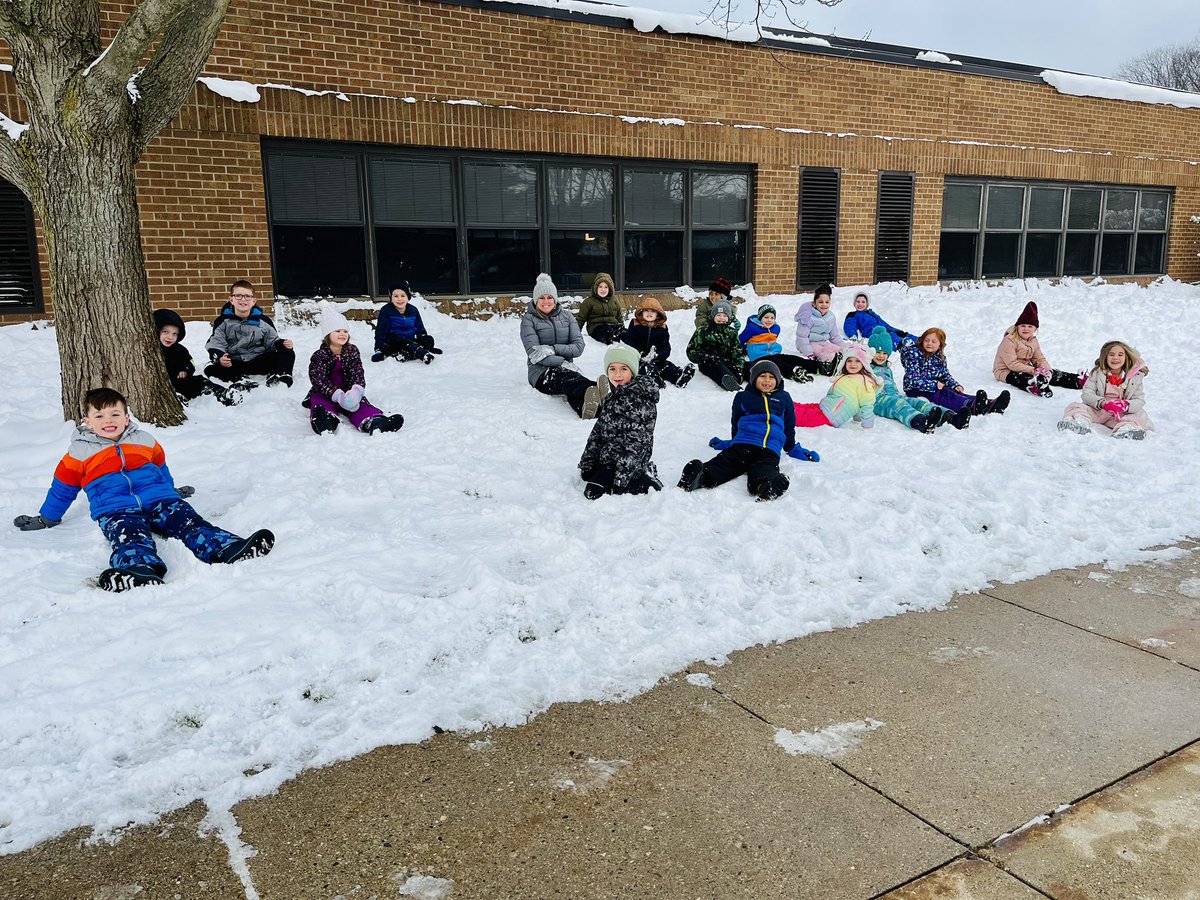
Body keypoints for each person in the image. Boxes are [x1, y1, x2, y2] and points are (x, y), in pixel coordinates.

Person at [13, 387, 274, 592]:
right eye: (100, 416)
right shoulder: (79, 452)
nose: (109, 420)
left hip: (160, 499)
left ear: (127, 417)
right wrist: (47, 518)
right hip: (116, 508)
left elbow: (160, 467)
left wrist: (170, 490)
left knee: (189, 522)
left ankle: (227, 549)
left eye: (115, 414)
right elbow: (62, 489)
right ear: (87, 422)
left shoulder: (144, 440)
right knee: (129, 537)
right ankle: (139, 569)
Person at [677, 359, 817, 502]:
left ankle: (766, 488)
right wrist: (733, 441)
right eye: (762, 376)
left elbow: (789, 424)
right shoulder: (743, 397)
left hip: (769, 449)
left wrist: (791, 447)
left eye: (772, 377)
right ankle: (699, 477)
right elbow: (735, 421)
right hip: (744, 444)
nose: (767, 381)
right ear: (754, 379)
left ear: (778, 380)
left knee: (764, 469)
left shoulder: (784, 398)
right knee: (725, 462)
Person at [578, 344, 663, 500]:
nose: (617, 374)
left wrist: (620, 479)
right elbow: (597, 432)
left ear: (633, 371)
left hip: (629, 465)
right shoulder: (614, 397)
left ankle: (647, 479)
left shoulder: (641, 402)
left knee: (593, 493)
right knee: (588, 479)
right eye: (612, 369)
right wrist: (587, 462)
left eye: (624, 369)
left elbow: (636, 443)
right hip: (608, 459)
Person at [305, 308, 404, 435]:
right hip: (326, 392)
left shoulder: (352, 351)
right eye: (337, 331)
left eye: (345, 331)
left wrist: (356, 391)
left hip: (348, 391)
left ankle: (375, 422)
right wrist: (335, 394)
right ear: (327, 334)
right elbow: (318, 379)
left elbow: (357, 371)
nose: (342, 334)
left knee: (360, 407)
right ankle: (326, 421)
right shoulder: (319, 355)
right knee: (320, 404)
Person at [520, 273, 603, 419]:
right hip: (540, 373)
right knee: (567, 380)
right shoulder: (529, 320)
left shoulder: (568, 317)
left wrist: (553, 349)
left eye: (550, 297)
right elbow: (535, 353)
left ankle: (589, 409)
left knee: (570, 384)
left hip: (566, 368)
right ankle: (599, 391)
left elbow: (578, 347)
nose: (546, 301)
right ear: (535, 300)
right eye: (542, 297)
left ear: (555, 299)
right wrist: (562, 361)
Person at [867, 327, 963, 432]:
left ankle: (950, 417)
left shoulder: (886, 368)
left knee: (917, 402)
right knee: (900, 406)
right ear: (870, 352)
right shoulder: (866, 368)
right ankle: (920, 421)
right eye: (878, 352)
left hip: (895, 396)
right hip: (877, 401)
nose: (881, 356)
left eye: (885, 353)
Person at [901, 327, 1009, 417]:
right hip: (915, 389)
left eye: (934, 341)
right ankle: (970, 406)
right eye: (927, 340)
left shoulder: (939, 357)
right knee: (944, 395)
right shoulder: (913, 354)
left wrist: (955, 385)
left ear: (940, 345)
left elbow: (944, 375)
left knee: (954, 393)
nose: (929, 343)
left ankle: (988, 404)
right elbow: (912, 380)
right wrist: (934, 384)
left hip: (935, 385)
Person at [204, 280, 296, 387]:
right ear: (231, 300)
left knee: (287, 352)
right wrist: (220, 357)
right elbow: (216, 342)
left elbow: (271, 341)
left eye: (247, 296)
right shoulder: (223, 321)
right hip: (235, 362)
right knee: (210, 369)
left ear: (253, 301)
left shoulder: (263, 321)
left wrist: (282, 344)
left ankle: (281, 376)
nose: (243, 300)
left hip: (258, 360)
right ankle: (240, 382)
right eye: (238, 296)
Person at [1059, 341, 1153, 440]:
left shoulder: (1134, 378)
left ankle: (1127, 429)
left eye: (1120, 355)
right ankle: (1079, 422)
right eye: (1111, 354)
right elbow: (1087, 393)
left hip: (1120, 413)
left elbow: (1139, 400)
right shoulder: (1097, 373)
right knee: (1078, 407)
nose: (1115, 358)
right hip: (1099, 409)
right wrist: (1102, 403)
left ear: (1126, 358)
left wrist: (1125, 405)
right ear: (1105, 357)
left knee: (1139, 415)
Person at [993, 301, 1087, 398]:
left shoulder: (1033, 341)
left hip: (1025, 367)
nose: (1026, 329)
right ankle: (1035, 386)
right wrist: (1033, 370)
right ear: (1017, 327)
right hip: (1006, 370)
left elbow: (1039, 359)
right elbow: (1012, 364)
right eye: (1023, 326)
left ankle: (1077, 380)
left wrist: (1047, 370)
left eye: (1030, 326)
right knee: (1020, 377)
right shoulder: (1009, 340)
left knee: (1051, 373)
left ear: (1035, 329)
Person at [153, 309, 240, 407]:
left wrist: (185, 369)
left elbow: (190, 361)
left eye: (174, 334)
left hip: (179, 382)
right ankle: (177, 399)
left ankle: (223, 394)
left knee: (199, 381)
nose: (170, 337)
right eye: (165, 332)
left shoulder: (179, 350)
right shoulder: (151, 350)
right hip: (161, 386)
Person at [792, 344, 880, 430]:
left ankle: (781, 411)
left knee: (797, 416)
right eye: (849, 361)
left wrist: (867, 426)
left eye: (858, 361)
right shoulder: (849, 376)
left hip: (830, 416)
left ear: (864, 363)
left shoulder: (865, 381)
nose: (853, 364)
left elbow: (866, 404)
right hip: (824, 409)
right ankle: (785, 404)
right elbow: (856, 400)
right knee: (798, 407)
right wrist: (857, 418)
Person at [618, 297, 696, 388]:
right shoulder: (635, 326)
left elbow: (665, 347)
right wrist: (638, 355)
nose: (649, 313)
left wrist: (657, 355)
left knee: (666, 366)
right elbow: (629, 344)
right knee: (644, 369)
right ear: (641, 313)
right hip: (638, 360)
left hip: (656, 360)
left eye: (653, 311)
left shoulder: (662, 329)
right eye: (646, 310)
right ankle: (654, 380)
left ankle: (679, 377)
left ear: (658, 315)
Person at [739, 304, 817, 383]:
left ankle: (817, 366)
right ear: (760, 318)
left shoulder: (775, 328)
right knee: (778, 364)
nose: (769, 320)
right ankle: (793, 372)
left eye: (772, 318)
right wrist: (740, 351)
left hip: (774, 354)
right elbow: (740, 340)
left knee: (791, 359)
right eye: (766, 317)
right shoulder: (752, 328)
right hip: (759, 357)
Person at [372, 280, 440, 364]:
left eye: (403, 296)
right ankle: (422, 353)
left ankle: (405, 354)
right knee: (399, 339)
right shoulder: (386, 310)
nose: (399, 299)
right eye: (396, 296)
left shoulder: (413, 310)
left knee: (429, 339)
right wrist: (378, 350)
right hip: (392, 343)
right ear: (391, 298)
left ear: (408, 297)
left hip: (409, 341)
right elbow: (380, 331)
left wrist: (426, 341)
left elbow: (420, 328)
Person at [686, 299, 747, 391]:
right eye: (718, 315)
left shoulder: (732, 332)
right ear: (712, 316)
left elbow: (737, 351)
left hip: (727, 361)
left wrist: (739, 366)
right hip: (709, 363)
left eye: (724, 315)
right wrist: (705, 357)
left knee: (745, 365)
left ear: (729, 317)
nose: (721, 318)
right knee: (718, 367)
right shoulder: (703, 331)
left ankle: (757, 376)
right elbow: (691, 351)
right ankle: (730, 382)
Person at [793, 283, 845, 377]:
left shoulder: (831, 316)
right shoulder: (808, 317)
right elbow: (802, 337)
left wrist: (844, 347)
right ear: (814, 303)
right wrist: (809, 353)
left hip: (824, 343)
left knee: (840, 351)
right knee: (825, 355)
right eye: (820, 302)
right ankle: (831, 366)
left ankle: (843, 362)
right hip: (810, 344)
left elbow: (834, 336)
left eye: (827, 302)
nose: (824, 305)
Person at [842, 290, 911, 345]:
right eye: (858, 302)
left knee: (903, 334)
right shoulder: (853, 314)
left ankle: (918, 341)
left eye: (863, 302)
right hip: (874, 333)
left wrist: (895, 330)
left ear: (867, 304)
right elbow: (849, 325)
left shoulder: (872, 313)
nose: (860, 304)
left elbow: (884, 324)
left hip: (885, 330)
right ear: (854, 303)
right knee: (890, 337)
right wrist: (852, 336)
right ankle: (903, 346)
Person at [575, 272, 624, 345]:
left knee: (625, 333)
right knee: (607, 332)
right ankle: (613, 341)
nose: (603, 290)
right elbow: (580, 319)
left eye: (606, 287)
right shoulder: (589, 302)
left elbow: (619, 315)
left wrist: (622, 327)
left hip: (613, 325)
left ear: (610, 289)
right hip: (597, 328)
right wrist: (575, 333)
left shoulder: (614, 300)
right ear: (595, 288)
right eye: (600, 287)